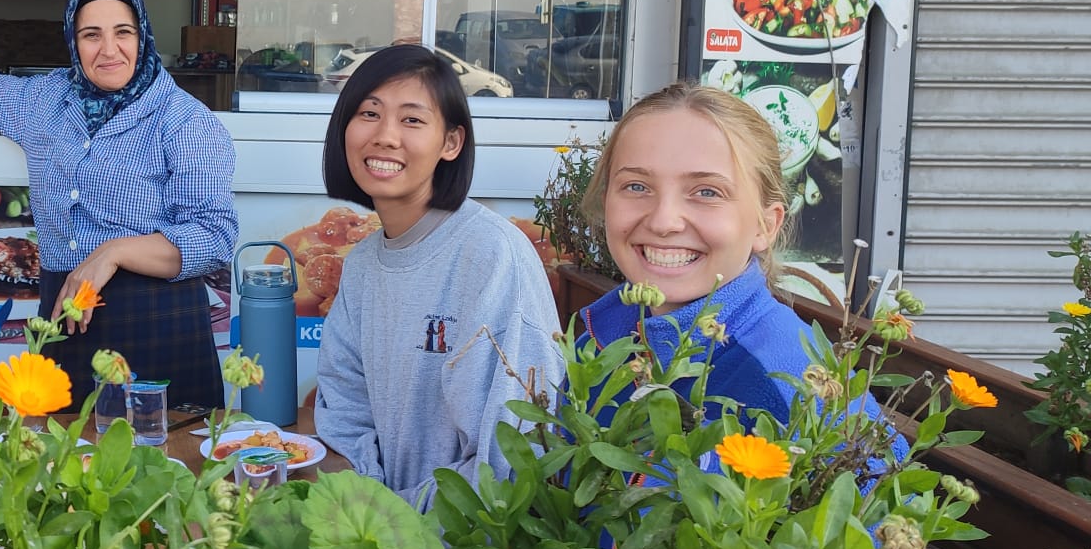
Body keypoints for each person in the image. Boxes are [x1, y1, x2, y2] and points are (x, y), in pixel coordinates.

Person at [0, 0, 236, 407]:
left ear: (143, 36)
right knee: (61, 460)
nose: (108, 49)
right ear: (72, 42)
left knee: (168, 462)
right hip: (64, 317)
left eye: (123, 33)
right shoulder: (47, 100)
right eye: (91, 35)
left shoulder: (185, 122)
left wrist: (112, 252)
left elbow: (214, 239)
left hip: (157, 316)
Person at [314, 45, 564, 510]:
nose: (385, 136)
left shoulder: (493, 256)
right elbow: (345, 406)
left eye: (412, 120)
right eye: (369, 113)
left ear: (451, 143)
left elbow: (515, 454)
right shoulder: (364, 263)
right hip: (377, 537)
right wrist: (371, 510)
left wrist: (400, 524)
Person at [577, 81, 893, 435]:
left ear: (767, 225)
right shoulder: (600, 332)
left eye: (707, 192)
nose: (663, 221)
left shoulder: (798, 387)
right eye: (636, 186)